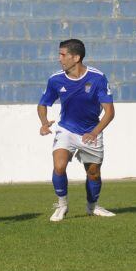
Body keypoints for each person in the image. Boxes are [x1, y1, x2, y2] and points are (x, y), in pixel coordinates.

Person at [38, 39, 116, 222]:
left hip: (91, 131)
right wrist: (43, 122)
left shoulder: (97, 78)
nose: (59, 59)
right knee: (59, 165)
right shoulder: (55, 79)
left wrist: (95, 132)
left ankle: (92, 206)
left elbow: (109, 112)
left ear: (76, 57)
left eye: (63, 54)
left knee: (93, 172)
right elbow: (43, 104)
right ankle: (62, 205)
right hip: (67, 130)